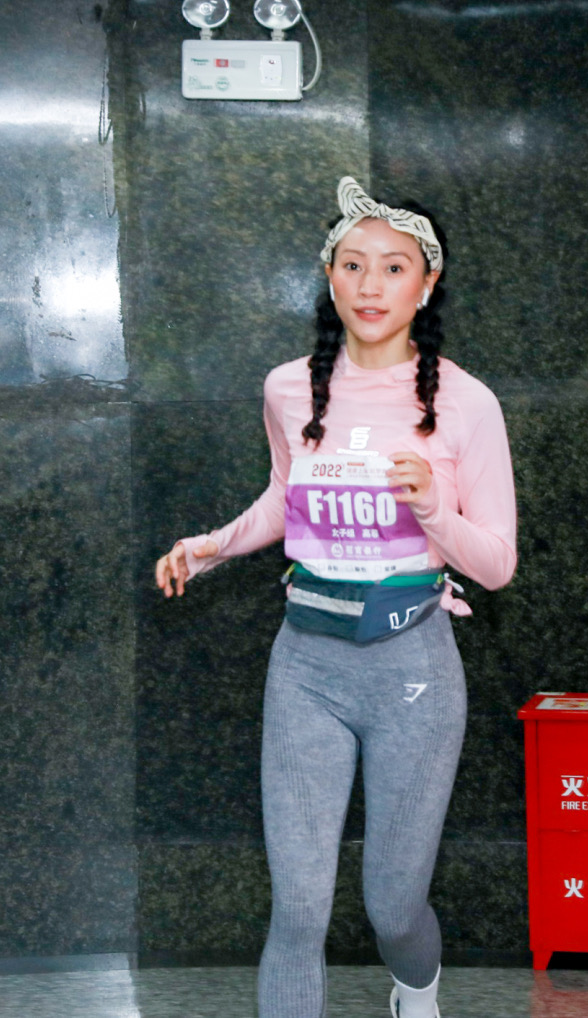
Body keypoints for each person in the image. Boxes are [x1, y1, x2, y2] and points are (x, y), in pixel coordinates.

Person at [155, 177, 518, 1018]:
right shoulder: (288, 389)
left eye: (393, 267)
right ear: (329, 277)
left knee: (393, 906)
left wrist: (433, 507)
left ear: (427, 283)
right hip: (306, 667)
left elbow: (497, 564)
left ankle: (416, 990)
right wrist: (212, 547)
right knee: (298, 909)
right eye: (352, 265)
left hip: (413, 671)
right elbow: (284, 500)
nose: (369, 286)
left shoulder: (467, 403)